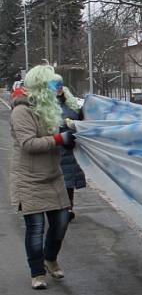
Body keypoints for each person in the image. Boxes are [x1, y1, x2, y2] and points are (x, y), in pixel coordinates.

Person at [9, 65, 74, 289]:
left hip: (53, 176)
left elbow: (70, 121)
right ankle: (37, 273)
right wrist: (59, 139)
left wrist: (73, 132)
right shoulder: (22, 111)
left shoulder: (49, 107)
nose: (59, 88)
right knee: (35, 228)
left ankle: (50, 258)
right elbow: (28, 144)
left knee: (61, 223)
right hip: (29, 179)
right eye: (54, 84)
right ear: (40, 86)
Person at [53, 75, 86, 221]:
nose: (59, 88)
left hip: (69, 150)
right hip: (54, 150)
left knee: (68, 181)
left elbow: (77, 118)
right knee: (57, 181)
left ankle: (68, 208)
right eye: (55, 85)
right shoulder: (45, 105)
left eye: (60, 85)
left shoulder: (70, 102)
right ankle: (58, 209)